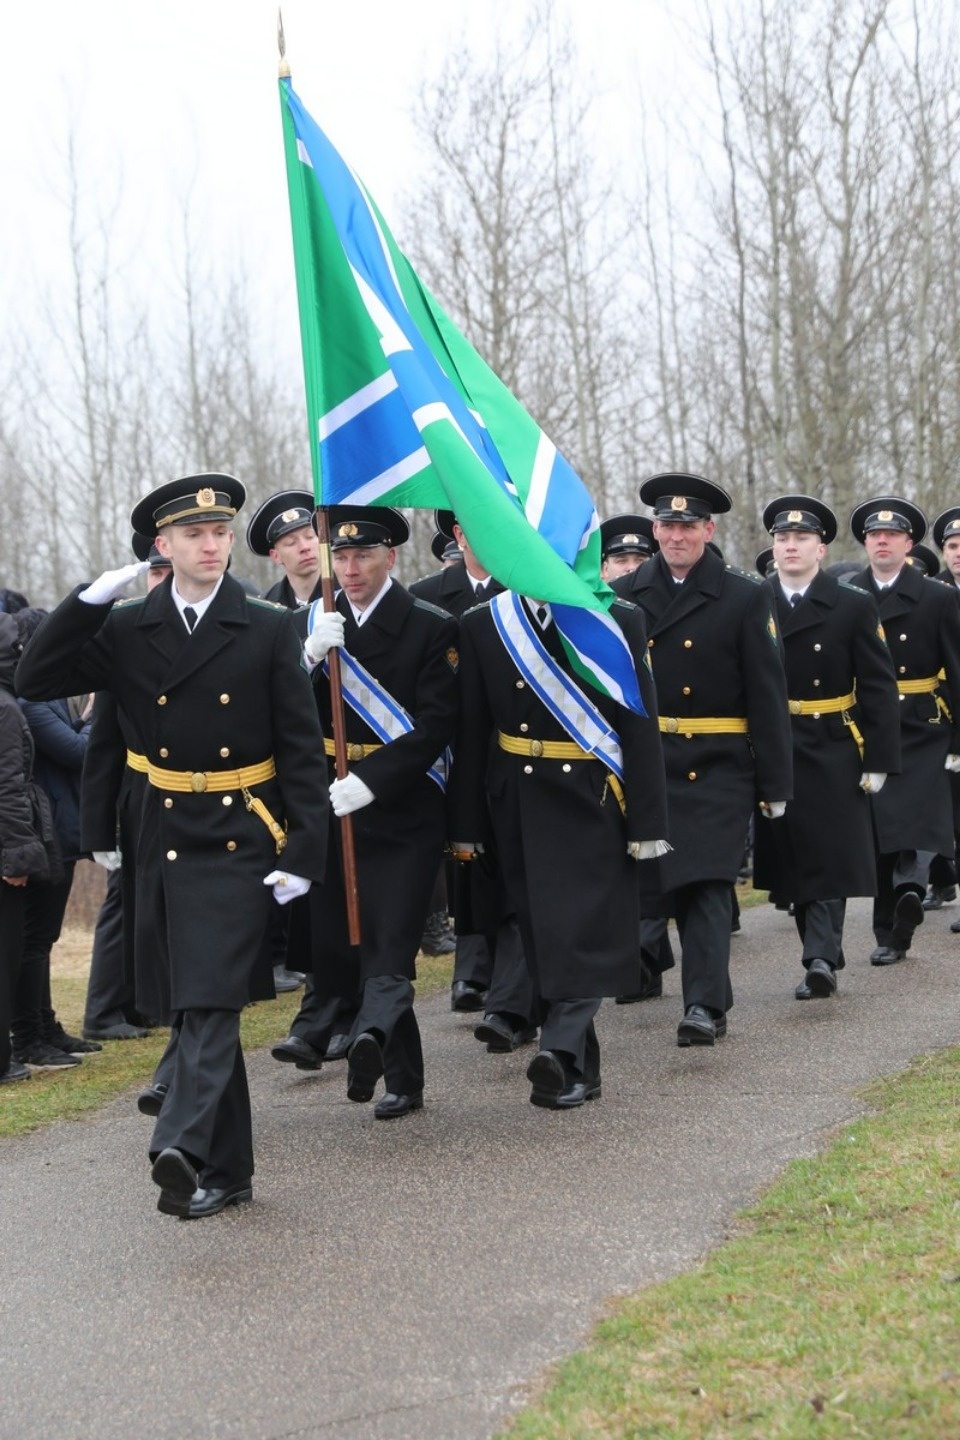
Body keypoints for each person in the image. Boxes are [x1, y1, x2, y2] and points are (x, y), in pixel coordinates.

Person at [17, 473, 329, 1218]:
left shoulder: (265, 626)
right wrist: (91, 599)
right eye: (194, 535)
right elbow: (35, 675)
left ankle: (180, 1144)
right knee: (191, 1005)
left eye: (220, 532)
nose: (212, 546)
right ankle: (230, 1172)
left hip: (243, 832)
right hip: (163, 832)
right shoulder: (128, 626)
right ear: (164, 545)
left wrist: (304, 853)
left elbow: (302, 752)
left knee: (215, 1000)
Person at [451, 583, 667, 1107]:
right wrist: (466, 823)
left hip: (593, 794)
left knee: (583, 927)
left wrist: (647, 820)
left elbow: (639, 723)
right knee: (542, 931)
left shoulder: (616, 617)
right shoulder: (486, 622)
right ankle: (579, 1068)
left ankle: (560, 1047)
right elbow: (472, 730)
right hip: (517, 797)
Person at [612, 472, 793, 1046]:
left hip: (716, 763)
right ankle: (655, 976)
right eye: (666, 525)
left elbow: (767, 693)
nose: (676, 535)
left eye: (687, 525)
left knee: (708, 884)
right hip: (649, 763)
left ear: (708, 530)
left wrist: (775, 781)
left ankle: (704, 1005)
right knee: (653, 886)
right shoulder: (625, 593)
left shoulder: (744, 594)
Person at [302, 506, 459, 1118]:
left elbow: (437, 725)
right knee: (355, 942)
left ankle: (369, 1037)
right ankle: (403, 1077)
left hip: (405, 806)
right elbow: (286, 715)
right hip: (334, 806)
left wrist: (371, 780)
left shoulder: (429, 625)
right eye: (339, 557)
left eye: (364, 555)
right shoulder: (317, 623)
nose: (351, 568)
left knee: (392, 937)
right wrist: (307, 659)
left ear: (391, 556)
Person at [752, 496, 901, 998]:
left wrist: (880, 758)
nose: (789, 546)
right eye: (781, 538)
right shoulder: (754, 601)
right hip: (778, 742)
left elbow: (878, 686)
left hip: (835, 741)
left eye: (800, 539)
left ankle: (819, 956)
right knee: (794, 855)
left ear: (821, 548)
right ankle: (820, 949)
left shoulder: (853, 603)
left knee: (830, 853)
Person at [849, 495, 960, 964]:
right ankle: (888, 931)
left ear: (908, 544)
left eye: (891, 535)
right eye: (874, 535)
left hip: (924, 725)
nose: (882, 541)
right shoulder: (850, 595)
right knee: (879, 830)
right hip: (868, 728)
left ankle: (911, 891)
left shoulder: (938, 597)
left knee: (917, 819)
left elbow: (957, 670)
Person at [410, 509, 505, 1004]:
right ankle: (470, 968)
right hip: (448, 750)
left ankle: (507, 970)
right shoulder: (427, 596)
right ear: (458, 534)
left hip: (509, 744)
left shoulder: (522, 583)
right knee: (462, 861)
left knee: (507, 858)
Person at [82, 535, 172, 1043]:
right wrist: (101, 829)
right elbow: (104, 744)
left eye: (166, 574)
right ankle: (102, 1009)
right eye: (153, 574)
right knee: (123, 904)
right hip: (136, 800)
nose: (160, 583)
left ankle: (142, 1002)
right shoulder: (126, 636)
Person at [12, 608, 100, 1068]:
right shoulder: (31, 700)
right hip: (43, 833)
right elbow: (79, 752)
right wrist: (96, 713)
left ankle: (47, 1026)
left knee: (44, 937)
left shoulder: (48, 696)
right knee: (34, 939)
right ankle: (29, 1036)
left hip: (59, 829)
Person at [246, 490, 324, 994]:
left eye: (310, 536)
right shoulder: (264, 612)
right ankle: (280, 955)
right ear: (276, 555)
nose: (305, 548)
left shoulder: (348, 595)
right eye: (292, 542)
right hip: (284, 756)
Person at [0, 611, 55, 1085]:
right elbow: (8, 788)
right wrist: (17, 858)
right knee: (7, 952)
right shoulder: (6, 709)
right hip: (4, 854)